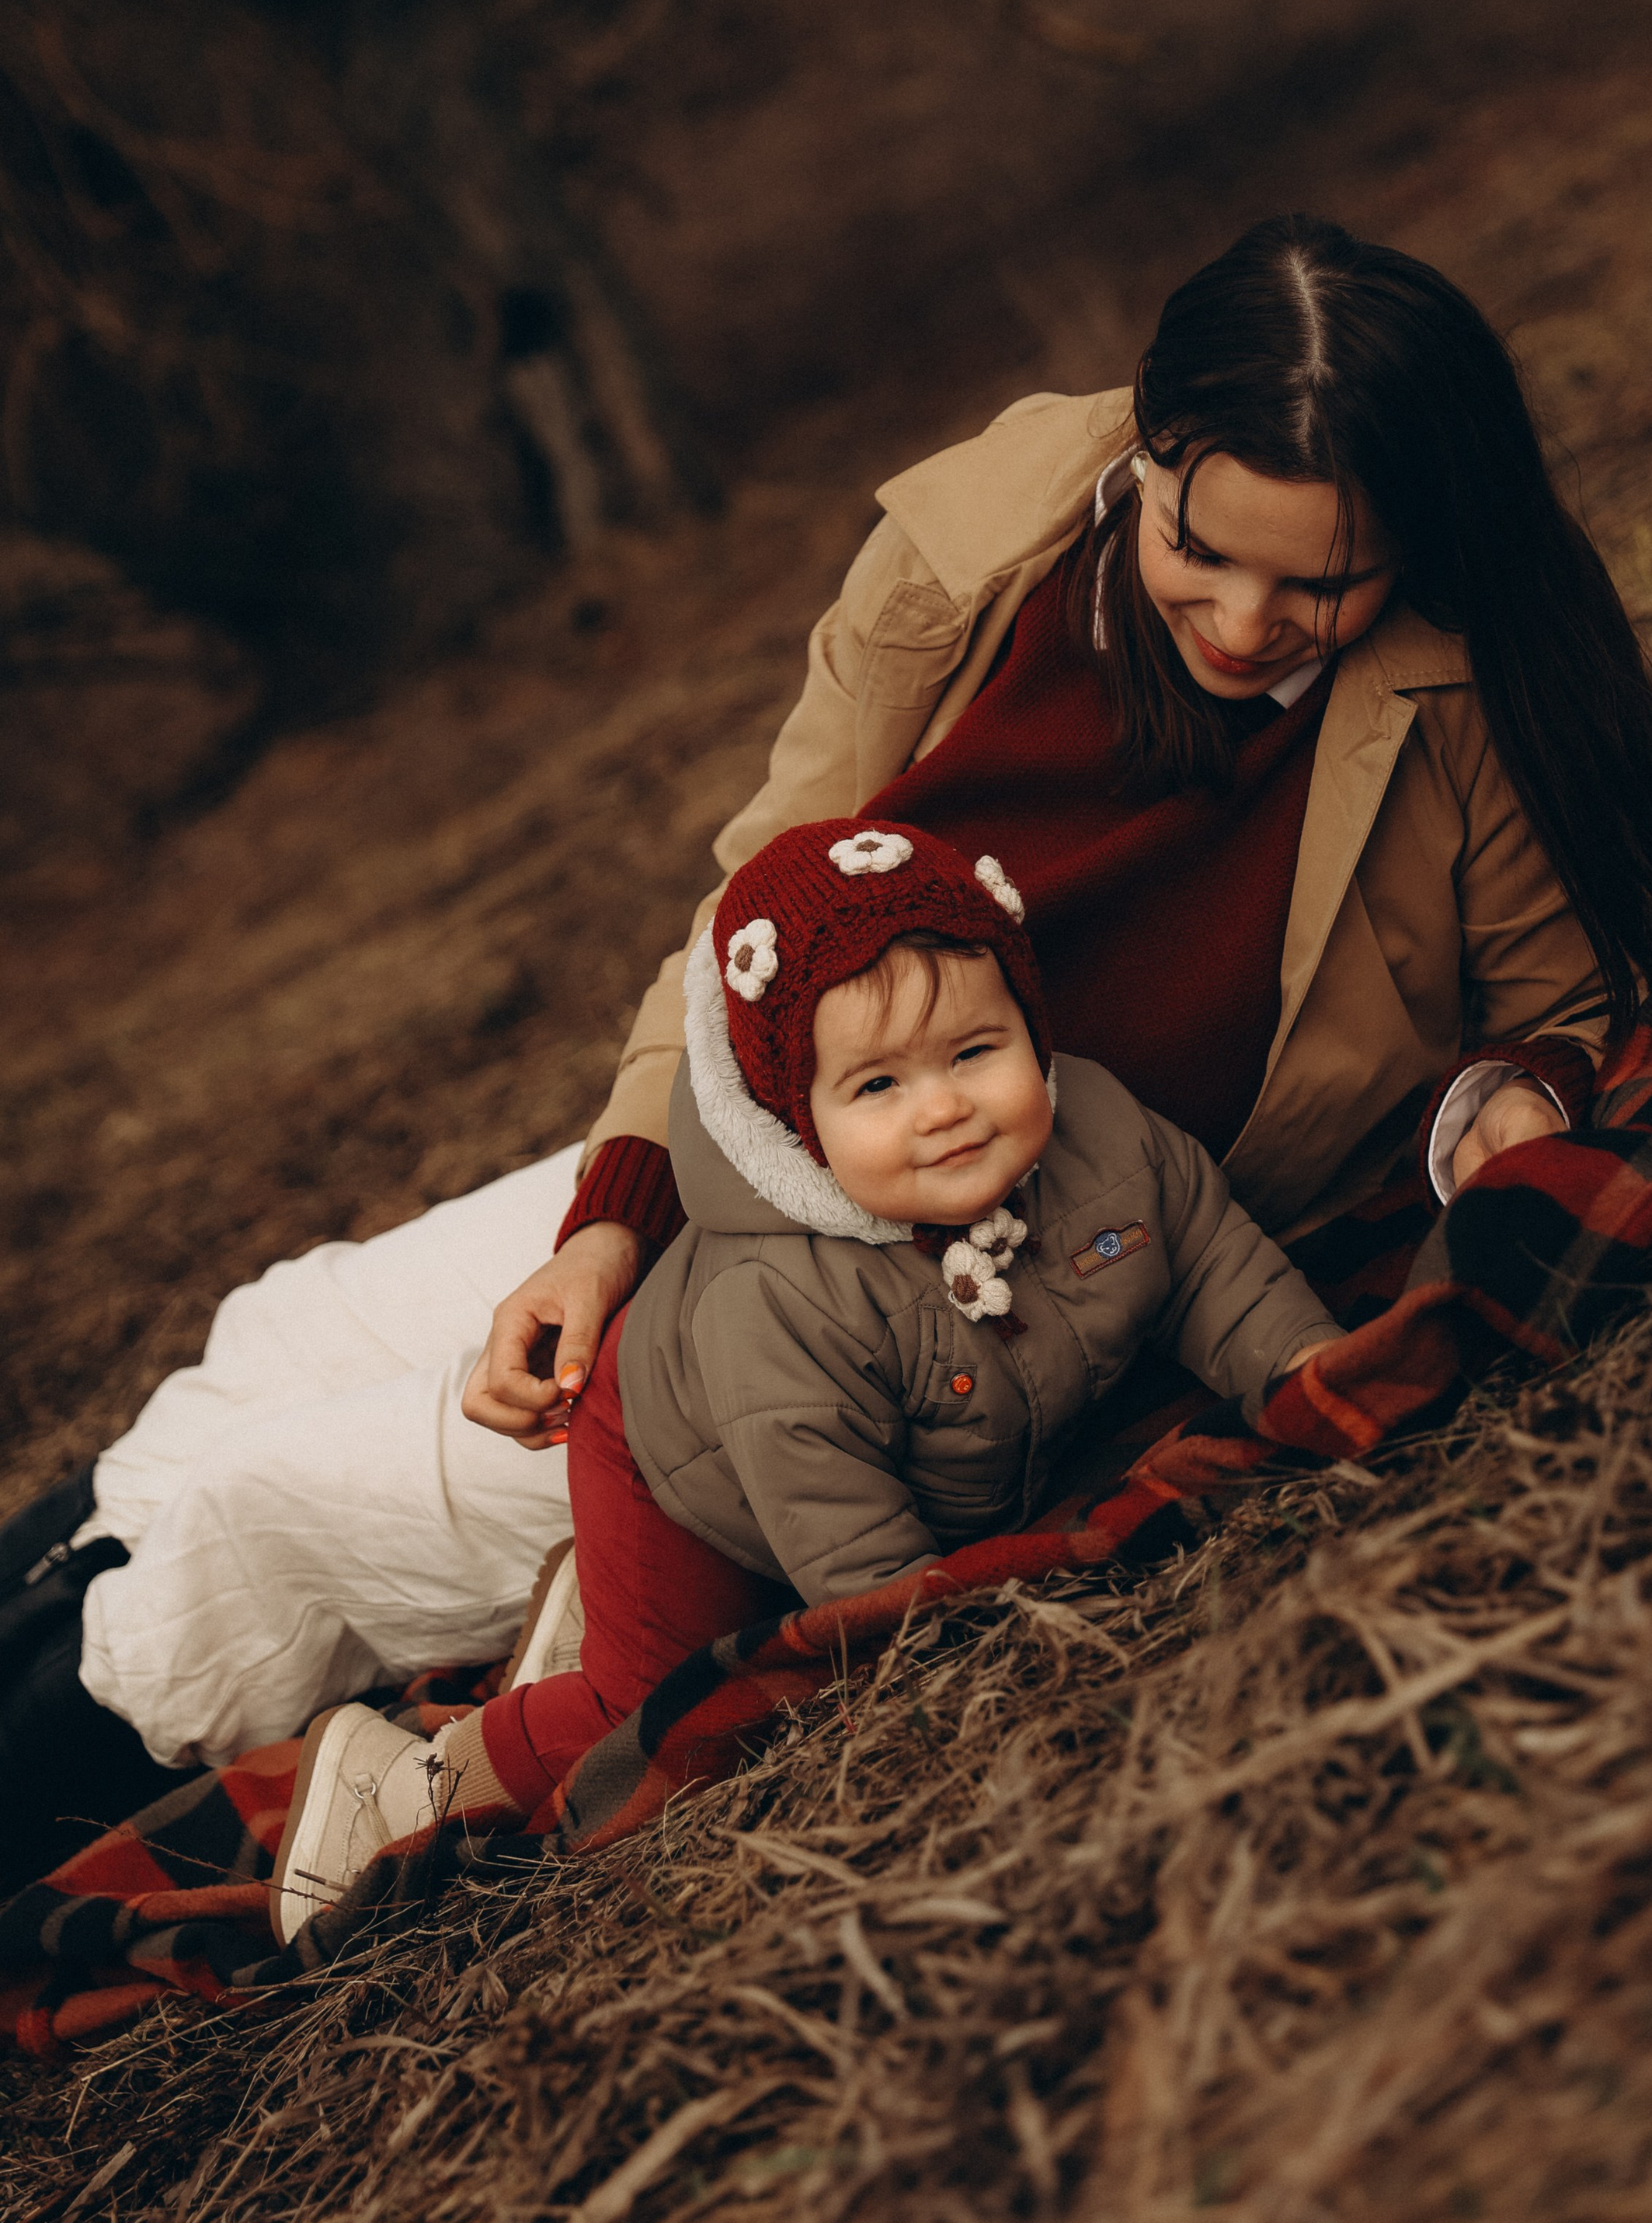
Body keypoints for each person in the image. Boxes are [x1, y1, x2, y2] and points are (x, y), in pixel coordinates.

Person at [9, 214, 1652, 1827]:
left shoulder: (1459, 697)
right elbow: (755, 891)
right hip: (777, 1136)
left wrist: (1512, 1105)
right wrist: (612, 1222)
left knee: (265, 1527)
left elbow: (1551, 1005)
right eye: (1199, 549)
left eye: (1318, 588)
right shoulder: (987, 546)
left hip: (938, 1309)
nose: (1244, 627)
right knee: (294, 1334)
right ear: (1144, 456)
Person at [270, 819, 1344, 1934]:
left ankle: (591, 1611)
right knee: (665, 1708)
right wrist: (950, 1664)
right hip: (679, 1461)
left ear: (1033, 1026)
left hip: (903, 1459)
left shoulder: (1107, 1134)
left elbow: (1214, 1268)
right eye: (877, 1084)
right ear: (799, 1116)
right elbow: (851, 1551)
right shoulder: (777, 1304)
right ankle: (413, 1775)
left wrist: (1308, 1369)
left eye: (976, 1052)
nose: (942, 1108)